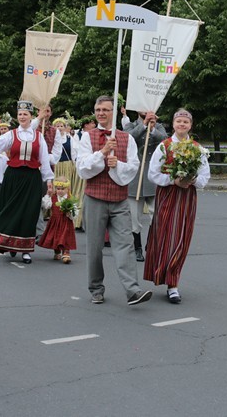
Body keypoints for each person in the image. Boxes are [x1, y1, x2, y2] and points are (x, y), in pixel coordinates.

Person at [76, 95, 152, 306]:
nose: (101, 113)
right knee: (94, 247)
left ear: (113, 112)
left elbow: (133, 168)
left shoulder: (126, 138)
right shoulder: (87, 137)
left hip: (119, 199)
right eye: (98, 109)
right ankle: (96, 288)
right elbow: (83, 169)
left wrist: (116, 163)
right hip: (95, 198)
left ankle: (133, 290)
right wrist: (102, 153)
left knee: (125, 245)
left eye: (106, 110)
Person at [0, 101, 54, 264]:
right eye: (20, 114)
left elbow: (43, 159)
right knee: (11, 210)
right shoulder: (11, 135)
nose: (22, 116)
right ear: (17, 116)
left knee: (29, 213)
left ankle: (26, 250)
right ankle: (11, 244)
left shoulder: (38, 136)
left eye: (25, 114)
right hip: (13, 177)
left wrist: (48, 180)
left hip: (31, 179)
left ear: (30, 117)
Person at [144, 108, 210, 304]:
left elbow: (205, 176)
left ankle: (173, 283)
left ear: (190, 125)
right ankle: (162, 274)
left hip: (187, 196)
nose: (182, 125)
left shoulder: (197, 148)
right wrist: (173, 180)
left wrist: (191, 179)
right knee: (164, 235)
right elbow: (152, 173)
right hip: (167, 194)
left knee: (181, 238)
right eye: (179, 121)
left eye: (186, 122)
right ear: (173, 124)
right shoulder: (164, 146)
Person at [125, 110, 167, 261]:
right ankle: (137, 248)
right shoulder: (130, 126)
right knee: (134, 218)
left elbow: (165, 141)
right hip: (135, 178)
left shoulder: (159, 127)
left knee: (156, 216)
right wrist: (143, 125)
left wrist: (152, 128)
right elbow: (128, 138)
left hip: (153, 178)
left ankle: (151, 244)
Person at [38, 176, 78, 264]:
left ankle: (66, 253)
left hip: (66, 222)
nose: (60, 191)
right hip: (55, 221)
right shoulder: (53, 197)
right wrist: (48, 194)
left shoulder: (70, 199)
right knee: (55, 236)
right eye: (58, 188)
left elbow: (75, 212)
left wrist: (70, 213)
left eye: (62, 189)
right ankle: (57, 251)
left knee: (66, 237)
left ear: (67, 189)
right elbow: (46, 205)